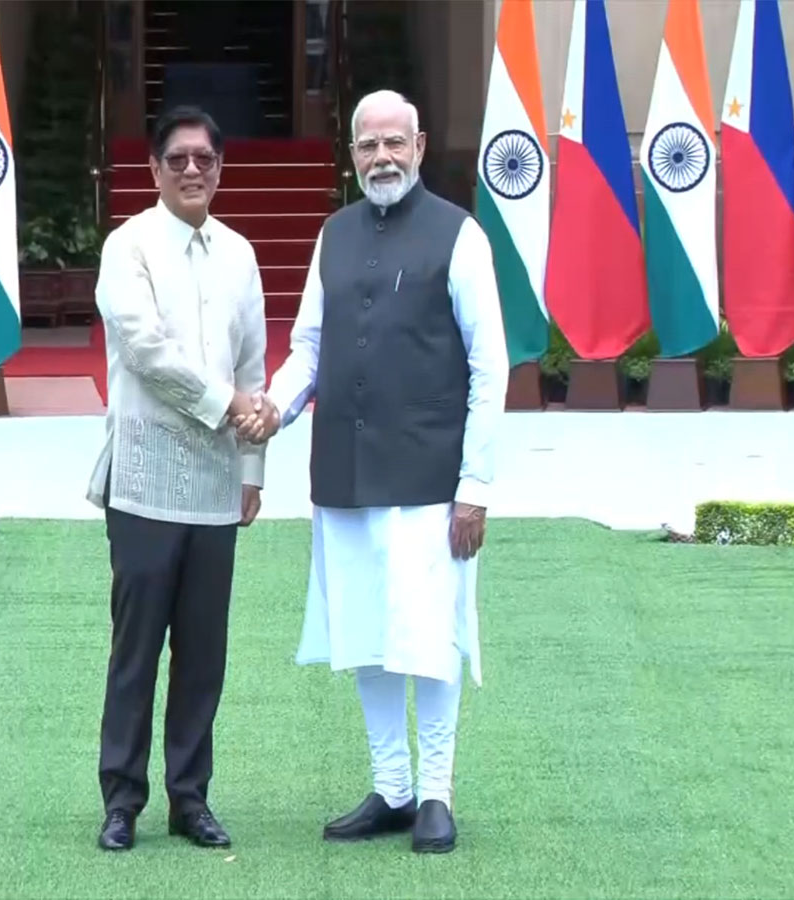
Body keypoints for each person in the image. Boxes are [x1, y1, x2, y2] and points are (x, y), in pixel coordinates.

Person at [235, 89, 509, 853]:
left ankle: (436, 795)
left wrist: (475, 487)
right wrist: (274, 409)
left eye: (395, 143)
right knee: (367, 635)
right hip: (347, 475)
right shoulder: (335, 233)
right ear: (351, 154)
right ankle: (391, 788)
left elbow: (490, 368)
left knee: (427, 636)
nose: (382, 158)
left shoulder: (461, 236)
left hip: (430, 481)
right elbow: (310, 349)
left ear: (419, 145)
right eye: (367, 146)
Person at [85, 105, 268, 852]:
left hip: (217, 489)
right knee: (136, 651)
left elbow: (254, 364)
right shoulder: (127, 246)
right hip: (144, 484)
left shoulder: (241, 255)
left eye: (205, 158)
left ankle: (190, 800)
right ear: (155, 170)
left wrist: (252, 466)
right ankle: (121, 801)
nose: (193, 170)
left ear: (220, 169)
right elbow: (144, 349)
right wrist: (227, 405)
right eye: (178, 159)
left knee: (203, 653)